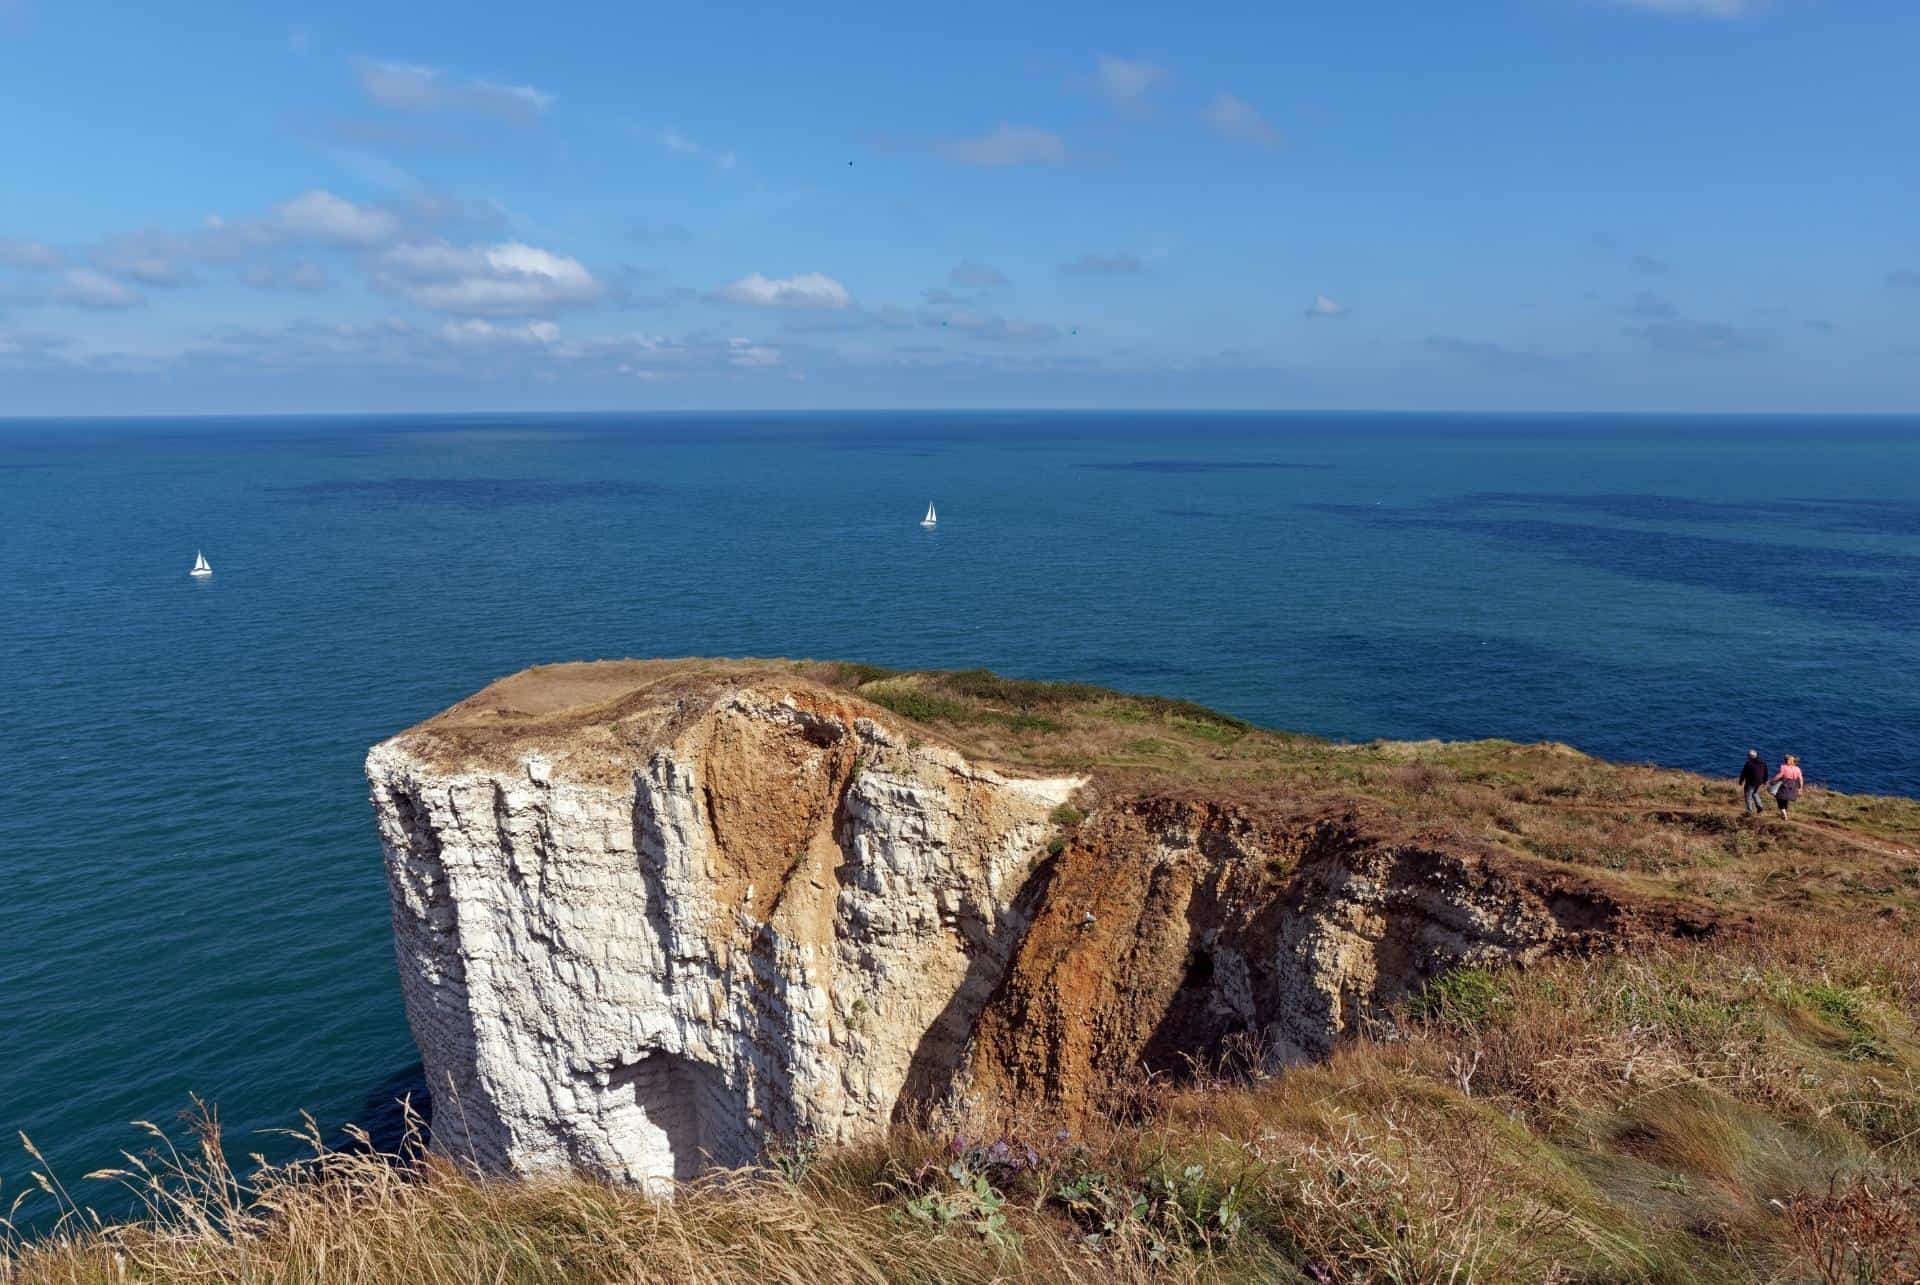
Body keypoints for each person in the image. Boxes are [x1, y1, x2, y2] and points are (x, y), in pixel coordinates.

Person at [1738, 749, 1770, 815]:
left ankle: (1749, 811)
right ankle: (1760, 806)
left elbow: (1744, 773)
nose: (1747, 757)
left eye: (1748, 756)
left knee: (1748, 795)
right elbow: (1766, 771)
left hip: (1751, 782)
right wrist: (1765, 780)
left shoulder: (1749, 763)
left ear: (1751, 756)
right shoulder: (1763, 762)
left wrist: (1741, 781)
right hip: (1759, 782)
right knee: (1755, 793)